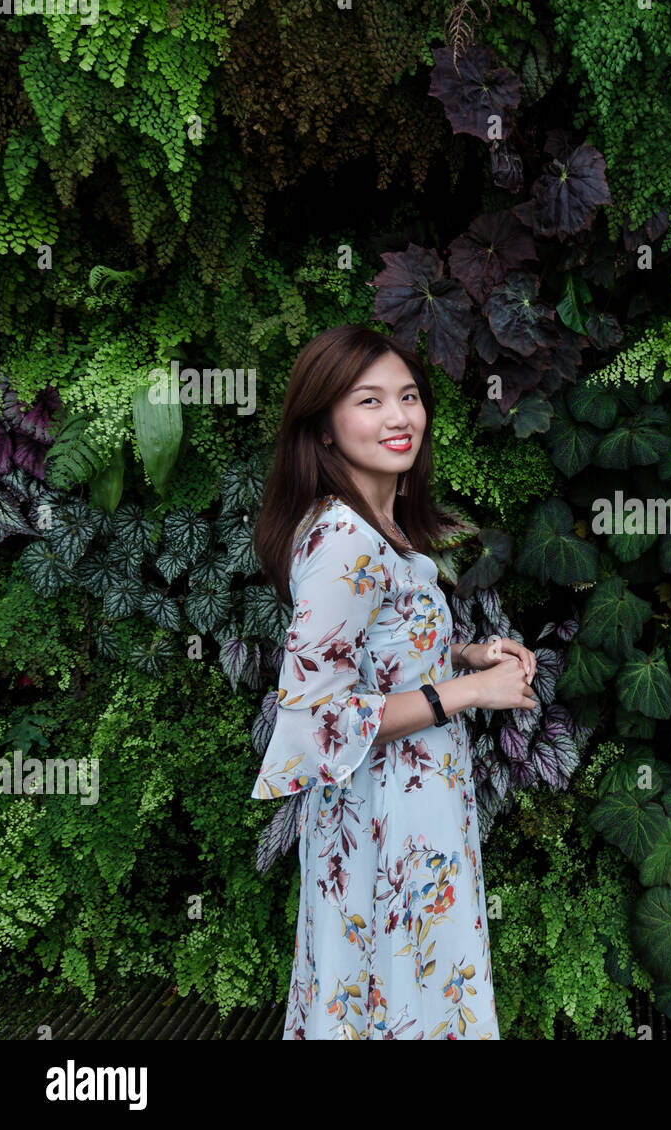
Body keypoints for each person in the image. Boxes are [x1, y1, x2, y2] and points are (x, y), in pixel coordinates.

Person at [251, 324, 536, 1039]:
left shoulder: (377, 523)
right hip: (385, 818)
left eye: (407, 397)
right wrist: (470, 694)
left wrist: (469, 656)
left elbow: (378, 651)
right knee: (397, 989)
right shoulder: (344, 541)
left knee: (402, 986)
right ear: (323, 428)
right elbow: (318, 716)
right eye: (369, 401)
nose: (398, 417)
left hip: (413, 805)